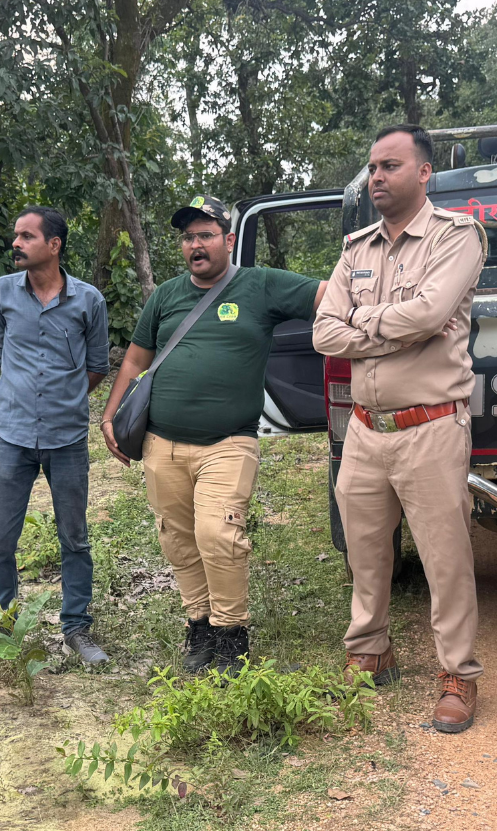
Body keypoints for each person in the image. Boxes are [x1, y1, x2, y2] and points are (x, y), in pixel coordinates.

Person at [100, 195, 326, 675]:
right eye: (188, 237)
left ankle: (232, 636)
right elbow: (137, 359)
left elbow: (327, 295)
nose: (195, 245)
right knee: (178, 540)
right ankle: (199, 628)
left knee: (217, 534)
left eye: (205, 235)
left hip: (228, 442)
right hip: (162, 442)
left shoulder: (260, 285)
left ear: (228, 240)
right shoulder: (164, 296)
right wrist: (110, 414)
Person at [313, 124, 488, 734]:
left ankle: (458, 675)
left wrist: (362, 323)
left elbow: (434, 312)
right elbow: (322, 332)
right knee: (365, 554)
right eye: (372, 168)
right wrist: (397, 327)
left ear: (423, 173)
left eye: (390, 165)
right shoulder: (355, 247)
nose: (377, 177)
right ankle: (370, 649)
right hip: (365, 429)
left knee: (446, 559)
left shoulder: (456, 236)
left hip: (431, 426)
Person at [0, 206, 111, 665]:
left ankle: (76, 628)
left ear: (54, 245)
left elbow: (98, 365)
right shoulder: (1, 293)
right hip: (13, 436)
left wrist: (63, 396)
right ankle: (1, 629)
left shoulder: (88, 300)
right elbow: (1, 353)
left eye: (26, 236)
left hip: (67, 438)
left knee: (74, 537)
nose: (16, 243)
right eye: (16, 235)